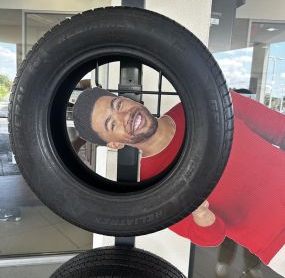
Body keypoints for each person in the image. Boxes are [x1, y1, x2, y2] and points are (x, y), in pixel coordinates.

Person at [73, 87, 285, 277]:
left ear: (130, 100)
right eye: (112, 123)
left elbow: (279, 128)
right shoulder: (154, 193)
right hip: (278, 245)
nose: (124, 116)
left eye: (118, 105)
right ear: (116, 143)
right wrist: (201, 214)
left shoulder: (207, 104)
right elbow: (211, 237)